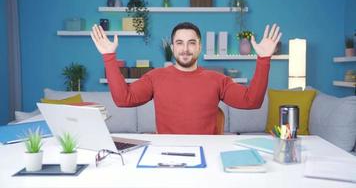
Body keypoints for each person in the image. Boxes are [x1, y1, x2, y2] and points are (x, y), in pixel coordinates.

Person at [90, 22, 282, 134]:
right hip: (166, 154)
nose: (185, 49)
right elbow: (124, 99)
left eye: (192, 43)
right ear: (172, 48)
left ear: (199, 47)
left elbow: (252, 101)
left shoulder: (217, 79)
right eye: (179, 43)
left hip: (209, 153)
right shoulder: (155, 77)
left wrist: (264, 59)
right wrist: (109, 57)